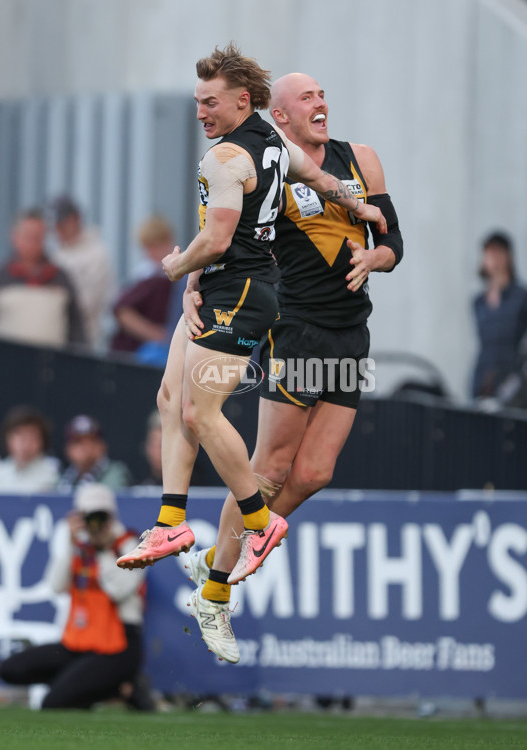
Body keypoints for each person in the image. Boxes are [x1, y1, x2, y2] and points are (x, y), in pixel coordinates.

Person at [116, 45, 387, 660]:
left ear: (244, 101)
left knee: (213, 423)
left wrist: (174, 266)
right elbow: (300, 187)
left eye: (209, 102)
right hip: (239, 294)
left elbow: (217, 236)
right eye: (196, 102)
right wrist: (360, 205)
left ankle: (249, 536)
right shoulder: (269, 143)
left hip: (249, 295)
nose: (200, 112)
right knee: (172, 398)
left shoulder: (231, 155)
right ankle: (174, 523)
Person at [181, 72, 403, 662]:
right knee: (273, 468)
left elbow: (393, 241)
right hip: (296, 328)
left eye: (323, 94)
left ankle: (218, 558)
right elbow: (223, 233)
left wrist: (374, 257)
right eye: (307, 98)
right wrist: (192, 280)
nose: (321, 104)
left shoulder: (362, 160)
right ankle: (215, 589)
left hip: (352, 331)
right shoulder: (267, 164)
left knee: (317, 473)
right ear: (278, 114)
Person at [0, 483, 150, 710]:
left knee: (52, 703)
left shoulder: (132, 546)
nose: (95, 523)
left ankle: (118, 686)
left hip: (117, 646)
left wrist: (102, 550)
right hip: (79, 641)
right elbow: (56, 586)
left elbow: (117, 590)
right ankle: (100, 687)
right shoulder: (79, 546)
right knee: (10, 669)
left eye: (100, 516)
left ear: (111, 516)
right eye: (89, 516)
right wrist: (71, 546)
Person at [0, 208, 85, 349]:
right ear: (14, 237)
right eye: (28, 236)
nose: (33, 243)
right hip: (7, 364)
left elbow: (77, 329)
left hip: (52, 365)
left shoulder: (60, 278)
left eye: (38, 237)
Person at [471, 231, 527, 399]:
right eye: (488, 252)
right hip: (483, 379)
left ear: (507, 256)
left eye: (496, 252)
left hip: (513, 383)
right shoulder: (478, 302)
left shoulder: (524, 299)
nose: (491, 258)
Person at [50, 195, 116, 350]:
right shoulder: (56, 254)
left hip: (87, 337)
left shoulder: (97, 254)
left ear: (76, 219)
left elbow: (89, 303)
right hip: (57, 335)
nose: (58, 231)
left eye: (62, 224)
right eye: (55, 226)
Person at [109, 216, 174, 361]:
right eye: (147, 247)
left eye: (155, 246)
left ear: (168, 242)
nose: (150, 253)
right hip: (138, 353)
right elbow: (122, 310)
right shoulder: (148, 275)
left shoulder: (169, 275)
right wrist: (158, 335)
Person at [0, 405, 59, 493]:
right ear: (8, 438)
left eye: (32, 437)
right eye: (20, 436)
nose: (26, 444)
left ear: (42, 440)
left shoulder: (54, 472)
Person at [57, 415, 132, 491]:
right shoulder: (65, 475)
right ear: (67, 449)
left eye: (92, 440)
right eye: (78, 442)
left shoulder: (115, 472)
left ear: (103, 445)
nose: (86, 447)